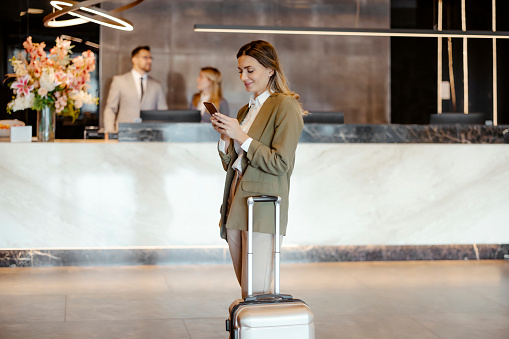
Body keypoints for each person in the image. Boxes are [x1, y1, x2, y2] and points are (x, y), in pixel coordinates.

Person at [210, 40, 305, 298]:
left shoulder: (285, 106)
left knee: (257, 287)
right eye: (240, 70)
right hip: (236, 197)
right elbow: (231, 163)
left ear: (270, 69)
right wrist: (226, 137)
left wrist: (240, 135)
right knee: (247, 286)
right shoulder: (245, 110)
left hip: (262, 204)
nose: (243, 77)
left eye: (250, 70)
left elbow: (280, 163)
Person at [103, 46, 168, 132]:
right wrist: (110, 131)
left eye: (150, 58)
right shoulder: (119, 81)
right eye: (145, 57)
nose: (150, 61)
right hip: (124, 133)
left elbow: (163, 113)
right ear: (134, 59)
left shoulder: (157, 85)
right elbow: (110, 108)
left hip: (149, 135)